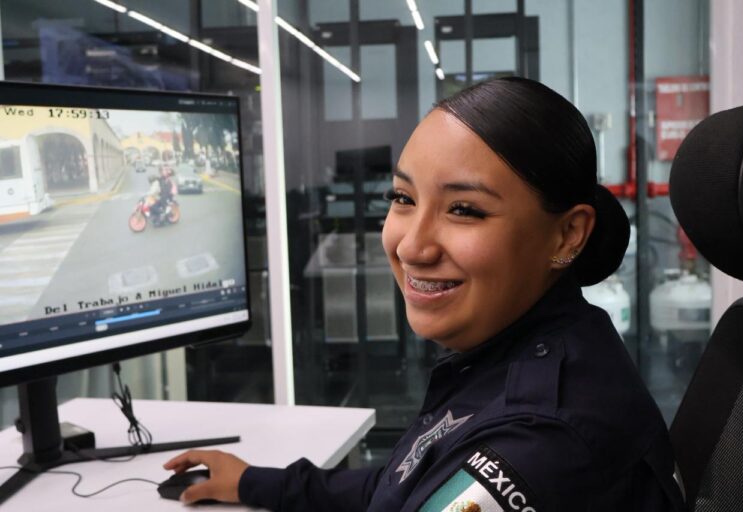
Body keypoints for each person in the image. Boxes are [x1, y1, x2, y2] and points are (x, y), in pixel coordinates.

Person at [163, 77, 685, 511]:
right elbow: (405, 484)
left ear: (566, 235)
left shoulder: (538, 443)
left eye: (464, 210)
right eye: (403, 197)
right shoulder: (519, 349)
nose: (411, 246)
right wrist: (257, 484)